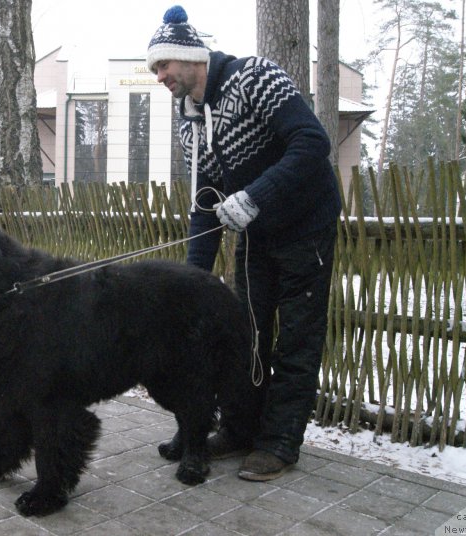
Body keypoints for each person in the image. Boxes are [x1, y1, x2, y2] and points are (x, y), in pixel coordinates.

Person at [146, 5, 342, 481]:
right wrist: (190, 282)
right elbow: (204, 207)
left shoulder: (255, 76)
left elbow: (313, 142)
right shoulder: (189, 118)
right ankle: (239, 429)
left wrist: (257, 195)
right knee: (244, 338)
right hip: (255, 237)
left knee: (296, 340)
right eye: (154, 69)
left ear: (189, 56)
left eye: (163, 65)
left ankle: (279, 443)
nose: (159, 76)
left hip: (305, 227)